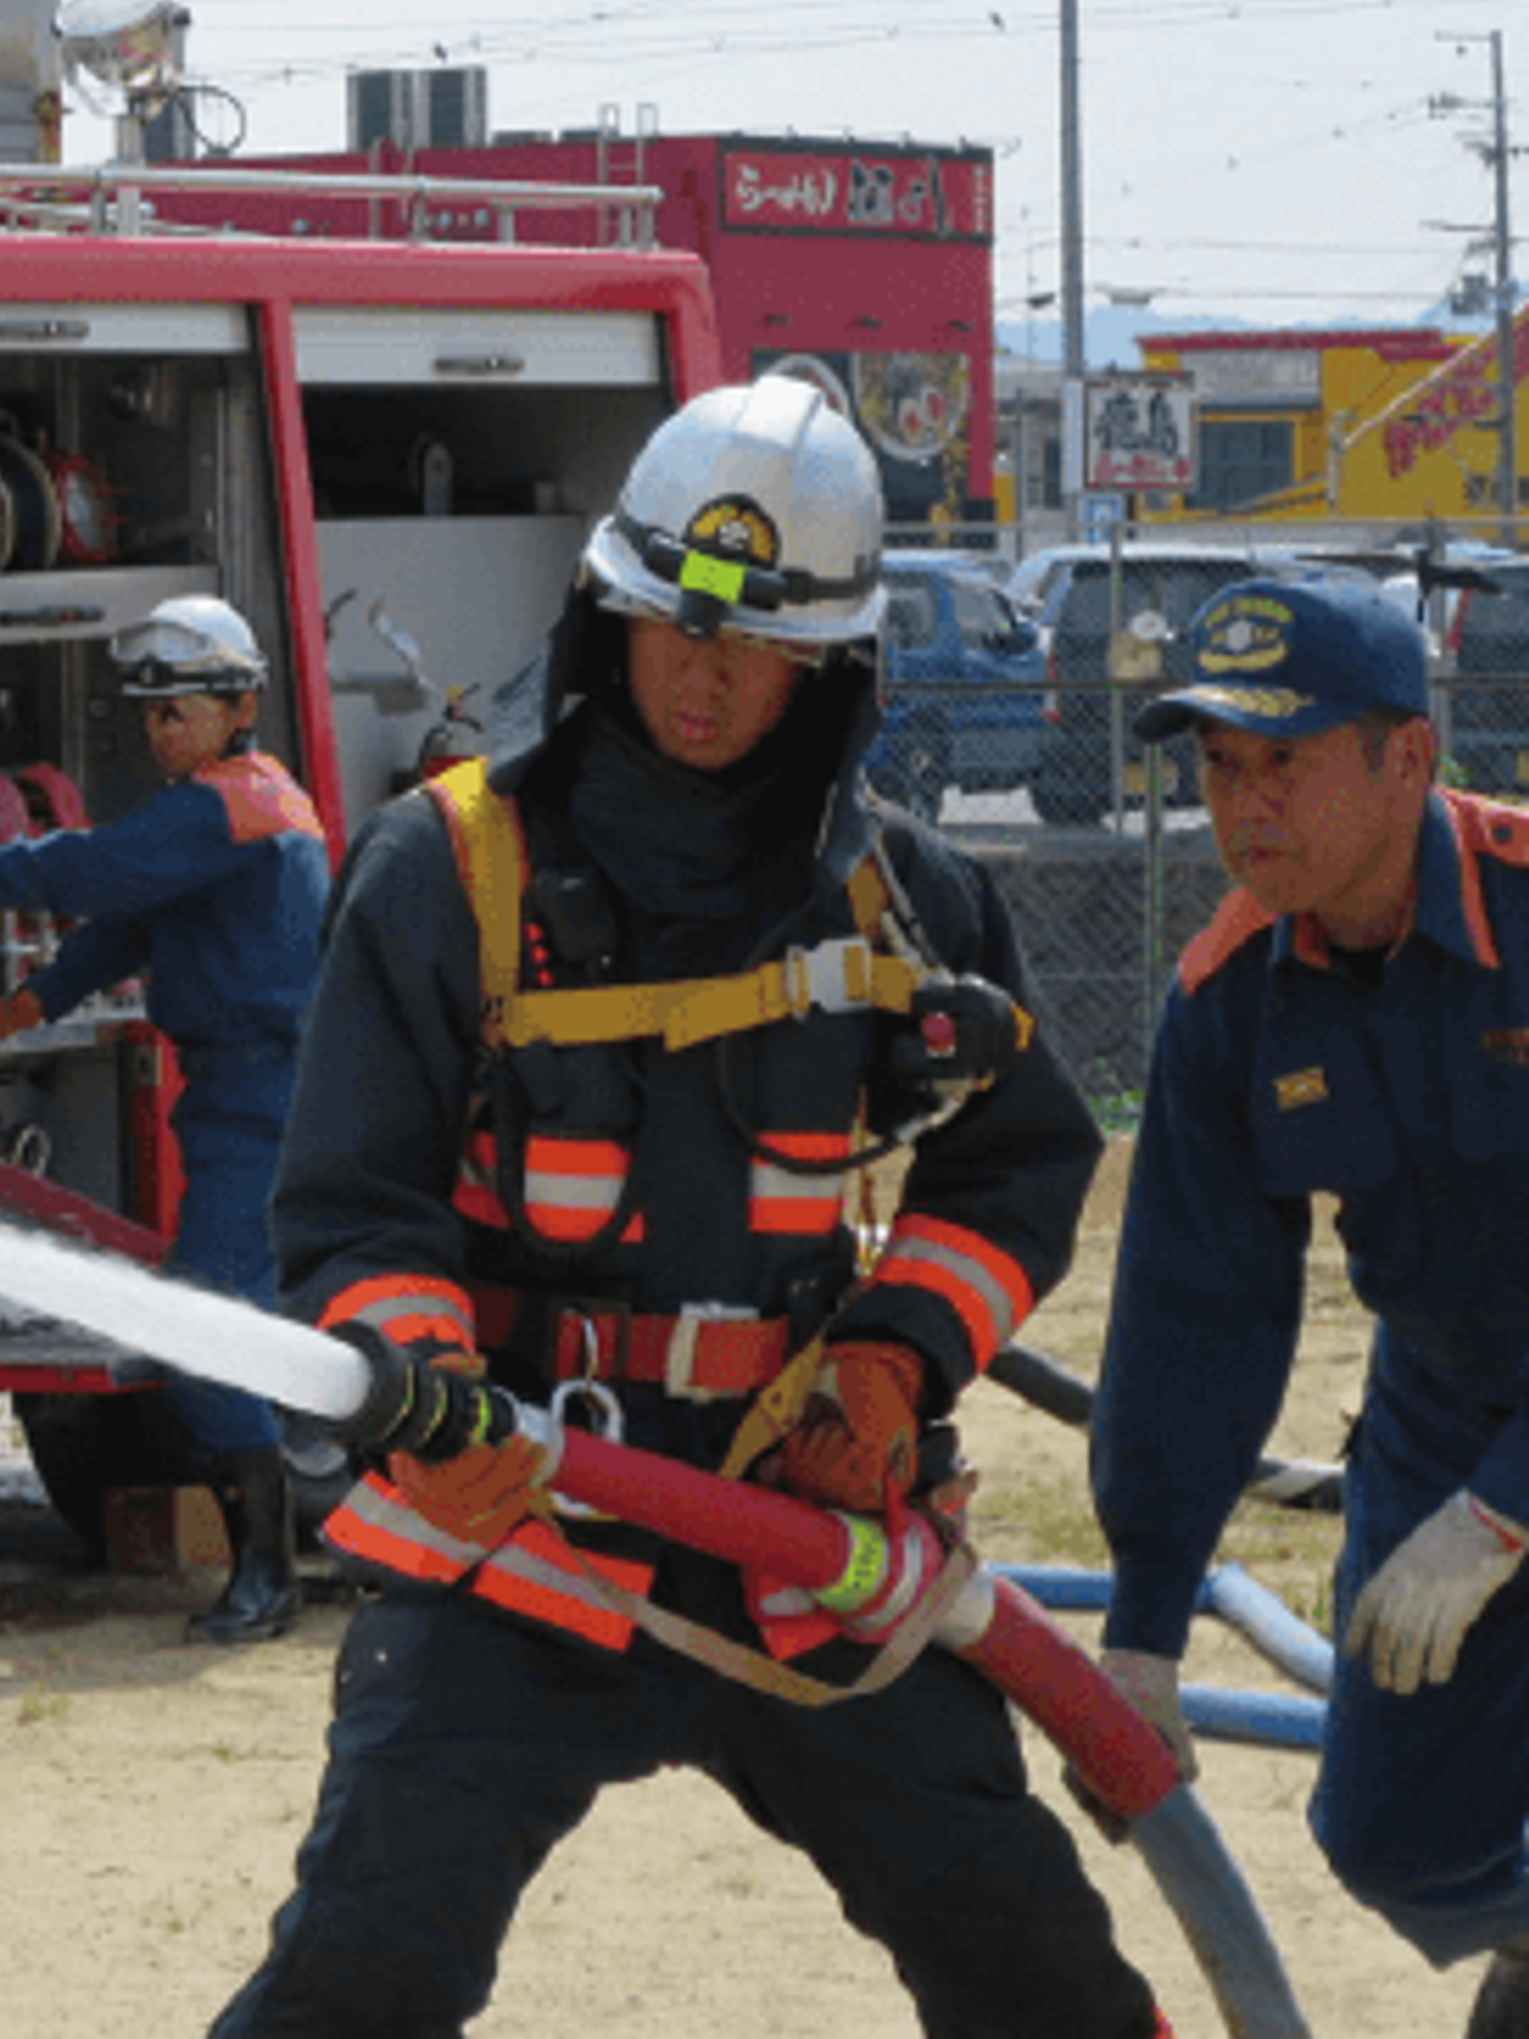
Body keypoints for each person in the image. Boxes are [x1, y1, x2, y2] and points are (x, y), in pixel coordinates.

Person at [218, 375, 1163, 2035]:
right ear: (607, 609)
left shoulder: (903, 895)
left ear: (831, 662)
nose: (704, 671)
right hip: (526, 1538)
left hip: (799, 1543)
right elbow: (356, 1208)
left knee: (1031, 1967)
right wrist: (433, 1398)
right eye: (668, 622)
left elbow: (1018, 1163)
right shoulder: (447, 871)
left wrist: (888, 1369)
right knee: (364, 1974)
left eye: (755, 641)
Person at [1088, 575, 1529, 2038]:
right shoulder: (1229, 1000)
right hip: (1449, 1408)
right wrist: (1147, 1620)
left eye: (1284, 758)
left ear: (1407, 758)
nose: (1241, 803)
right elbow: (1194, 1316)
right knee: (1388, 1837)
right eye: (1218, 765)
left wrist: (1511, 1506)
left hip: (1502, 1471)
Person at [0, 593, 330, 1645]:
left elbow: (90, 870)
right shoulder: (229, 807)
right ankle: (280, 1559)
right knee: (228, 1319)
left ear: (240, 704)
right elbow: (128, 923)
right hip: (241, 1096)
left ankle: (269, 1572)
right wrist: (23, 1007)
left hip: (262, 1098)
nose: (159, 730)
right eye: (148, 714)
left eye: (177, 709)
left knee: (207, 1324)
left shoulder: (233, 803)